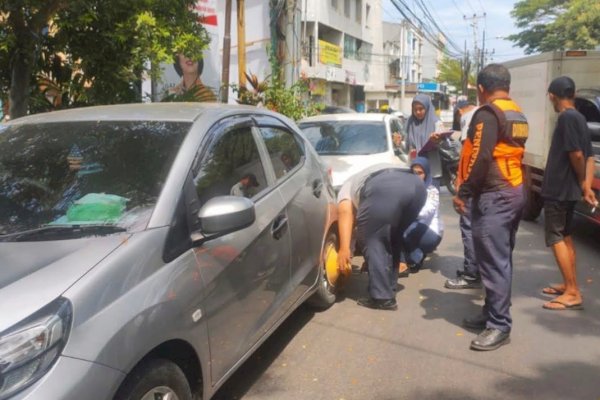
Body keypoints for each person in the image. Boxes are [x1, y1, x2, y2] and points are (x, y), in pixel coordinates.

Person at [453, 63, 528, 351]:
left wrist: (465, 192)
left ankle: (499, 325)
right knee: (499, 258)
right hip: (513, 190)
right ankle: (491, 313)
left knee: (494, 261)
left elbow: (480, 157)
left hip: (495, 195)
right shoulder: (515, 111)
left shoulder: (487, 113)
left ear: (481, 89)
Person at [539, 76, 597, 311]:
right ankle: (568, 284)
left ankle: (573, 292)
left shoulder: (566, 118)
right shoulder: (581, 118)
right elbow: (590, 155)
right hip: (570, 189)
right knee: (565, 235)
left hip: (559, 189)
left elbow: (577, 155)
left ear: (552, 95)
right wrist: (586, 185)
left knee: (556, 237)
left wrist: (583, 182)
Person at [337, 164, 426, 310]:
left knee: (371, 238)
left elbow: (345, 213)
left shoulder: (344, 190)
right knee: (393, 237)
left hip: (386, 188)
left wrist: (344, 249)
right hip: (417, 186)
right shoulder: (361, 178)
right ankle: (388, 286)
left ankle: (382, 297)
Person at [444, 99, 482, 290]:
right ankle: (479, 270)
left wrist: (462, 188)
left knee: (468, 227)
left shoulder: (468, 118)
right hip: (488, 185)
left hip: (471, 184)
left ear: (459, 111)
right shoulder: (485, 113)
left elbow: (468, 156)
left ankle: (471, 273)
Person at [398, 157, 443, 277]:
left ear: (426, 174)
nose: (416, 176)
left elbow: (427, 211)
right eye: (414, 173)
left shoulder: (432, 191)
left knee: (402, 229)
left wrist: (406, 212)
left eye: (420, 173)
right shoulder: (406, 189)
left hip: (430, 232)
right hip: (413, 229)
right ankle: (403, 262)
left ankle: (416, 257)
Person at [405, 94, 444, 185]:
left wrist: (438, 141)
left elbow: (447, 144)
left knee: (431, 198)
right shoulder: (410, 123)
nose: (418, 112)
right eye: (415, 110)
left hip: (432, 170)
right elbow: (407, 146)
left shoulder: (437, 123)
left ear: (427, 107)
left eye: (421, 109)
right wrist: (399, 143)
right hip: (415, 170)